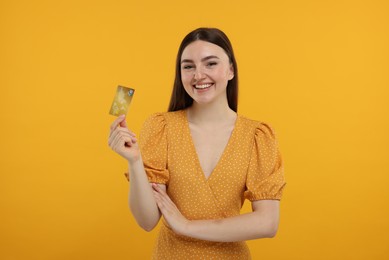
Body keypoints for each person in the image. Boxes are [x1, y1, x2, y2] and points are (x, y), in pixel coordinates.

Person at [108, 27, 286, 259]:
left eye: (210, 64)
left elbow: (267, 223)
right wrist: (134, 162)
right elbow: (147, 221)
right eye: (188, 66)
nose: (198, 75)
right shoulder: (161, 127)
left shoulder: (257, 136)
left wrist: (187, 226)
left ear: (231, 70)